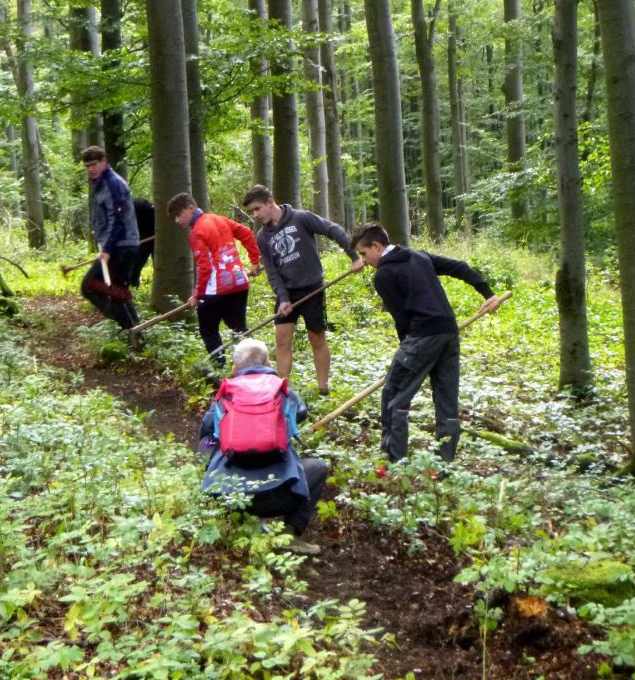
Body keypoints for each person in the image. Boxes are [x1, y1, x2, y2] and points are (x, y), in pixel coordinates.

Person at [350, 223, 502, 462]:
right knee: (446, 399)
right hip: (449, 332)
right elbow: (460, 267)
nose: (364, 260)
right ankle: (445, 463)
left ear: (377, 246)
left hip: (422, 336)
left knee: (393, 396)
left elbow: (402, 320)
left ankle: (393, 463)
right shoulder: (418, 256)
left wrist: (407, 355)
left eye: (363, 253)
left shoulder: (384, 275)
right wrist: (488, 293)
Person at [199, 338, 328, 554]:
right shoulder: (281, 391)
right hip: (279, 496)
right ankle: (290, 536)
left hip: (231, 496)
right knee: (318, 467)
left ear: (234, 368)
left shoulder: (225, 395)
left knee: (208, 447)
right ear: (269, 364)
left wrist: (215, 443)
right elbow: (302, 415)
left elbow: (205, 439)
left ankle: (236, 525)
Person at [242, 185, 363, 395]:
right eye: (252, 211)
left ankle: (323, 388)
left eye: (257, 208)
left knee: (316, 337)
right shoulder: (263, 237)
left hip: (312, 289)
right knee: (282, 339)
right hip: (287, 294)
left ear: (270, 202)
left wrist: (354, 257)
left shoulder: (301, 218)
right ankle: (281, 390)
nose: (256, 214)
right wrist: (283, 298)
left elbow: (332, 230)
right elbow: (272, 272)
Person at [167, 192, 262, 363]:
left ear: (191, 208)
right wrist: (254, 261)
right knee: (239, 329)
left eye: (179, 215)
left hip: (217, 289)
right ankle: (256, 364)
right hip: (240, 283)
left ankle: (218, 369)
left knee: (208, 329)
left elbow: (205, 268)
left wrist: (197, 295)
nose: (177, 220)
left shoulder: (196, 232)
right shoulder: (220, 219)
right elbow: (246, 233)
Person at [80, 145, 140, 329]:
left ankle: (131, 329)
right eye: (88, 166)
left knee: (89, 285)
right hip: (116, 245)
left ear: (104, 161)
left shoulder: (113, 184)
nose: (91, 169)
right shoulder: (99, 184)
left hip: (121, 247)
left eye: (94, 164)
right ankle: (134, 333)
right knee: (117, 292)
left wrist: (107, 250)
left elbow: (118, 219)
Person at [130, 198, 155, 287]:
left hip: (157, 239)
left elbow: (154, 209)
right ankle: (134, 287)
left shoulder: (140, 205)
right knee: (134, 267)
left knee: (159, 266)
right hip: (142, 242)